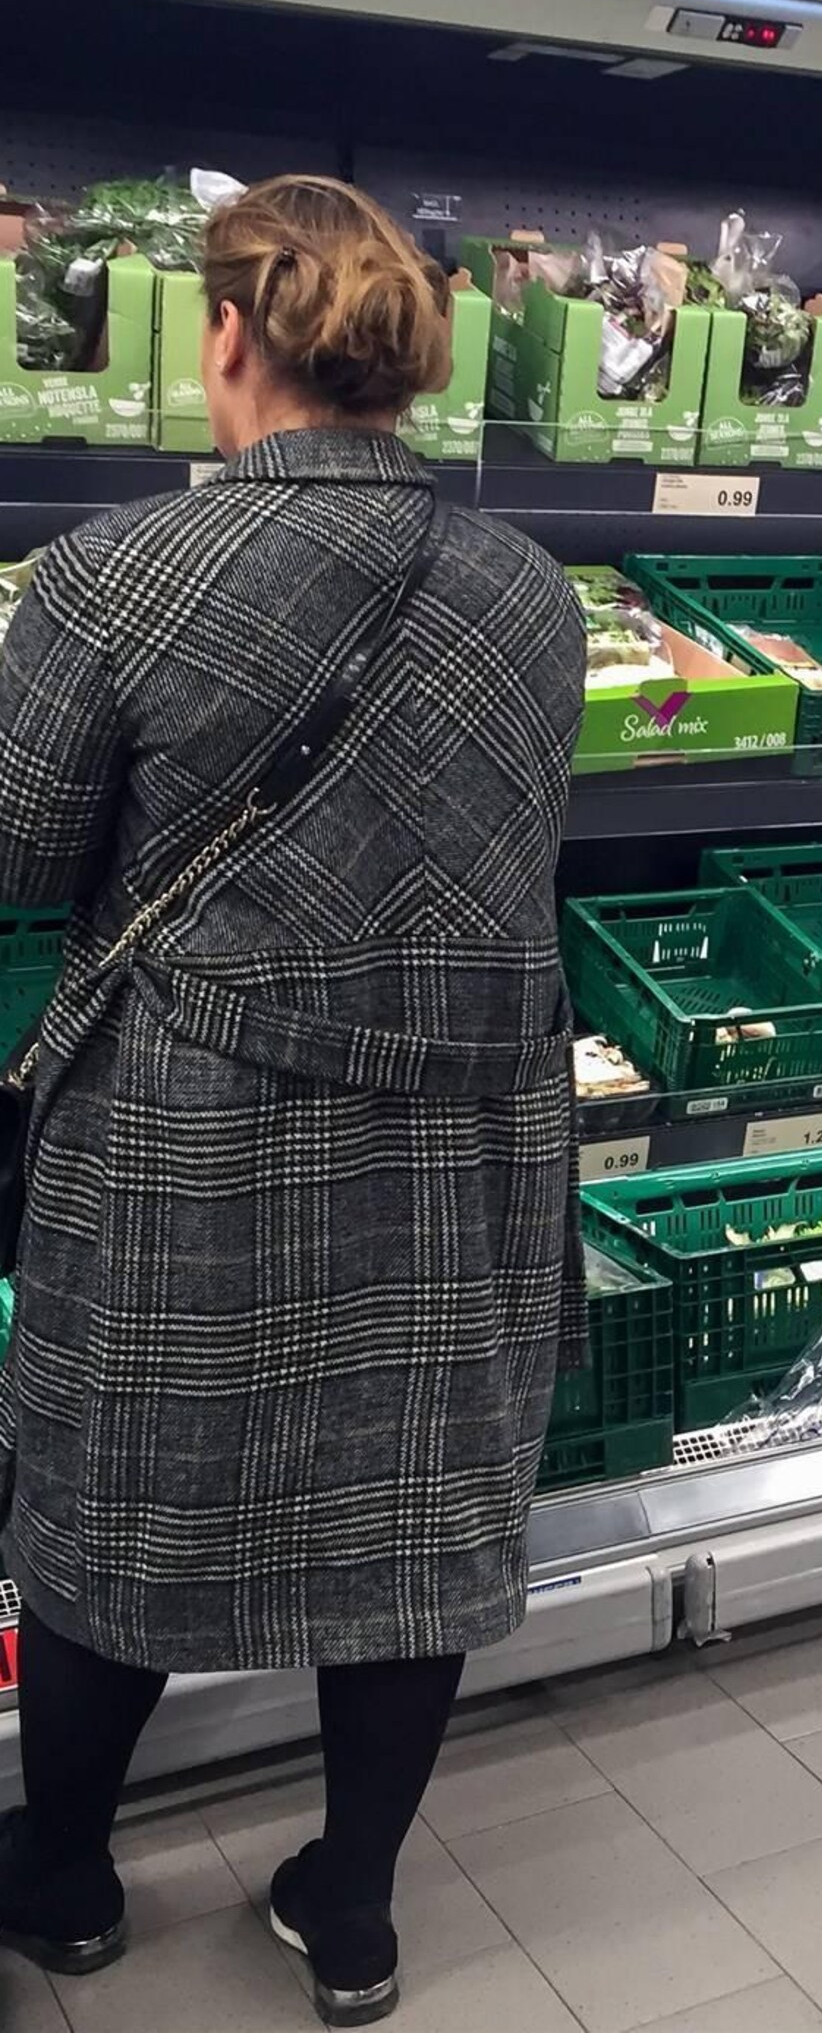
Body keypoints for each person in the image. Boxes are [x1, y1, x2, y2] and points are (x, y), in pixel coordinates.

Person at [0, 175, 586, 2027]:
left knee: (120, 1498)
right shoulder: (532, 590)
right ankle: (351, 1911)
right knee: (409, 1517)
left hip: (195, 1112)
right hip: (464, 1117)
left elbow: (20, 853)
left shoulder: (110, 577)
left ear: (229, 335)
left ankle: (68, 1875)